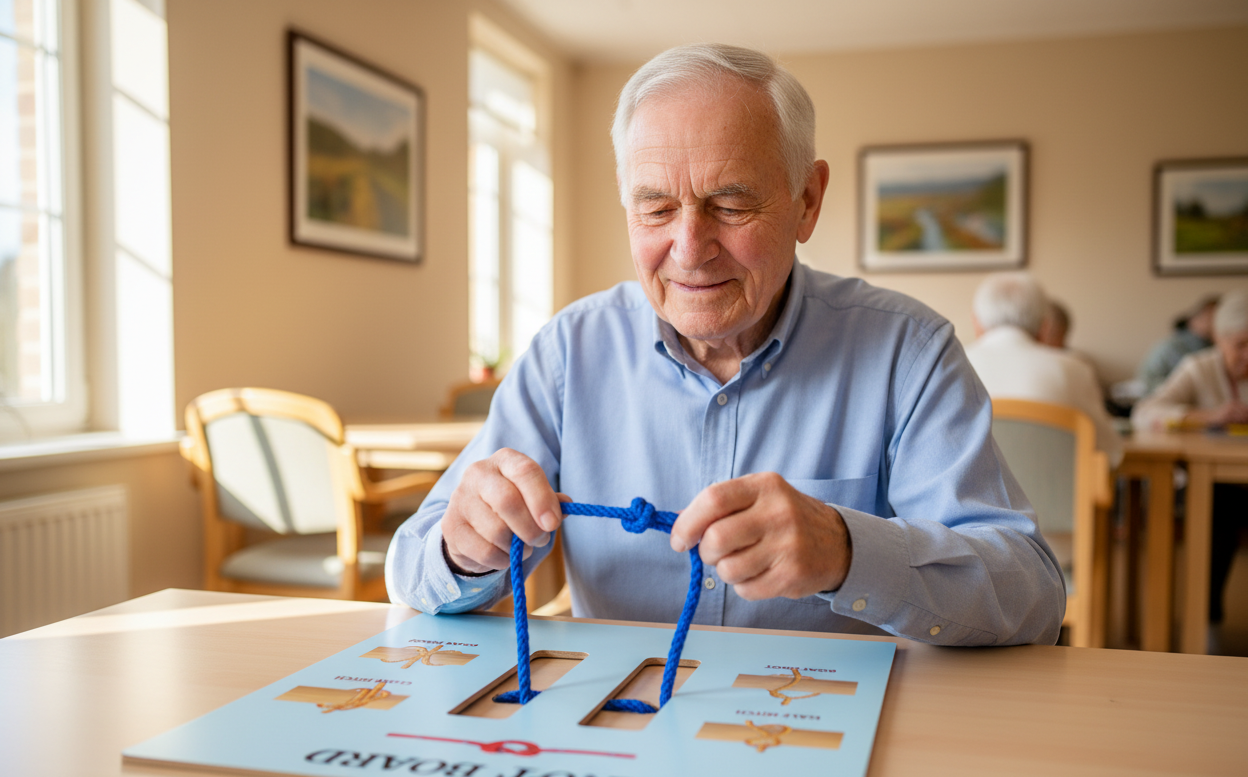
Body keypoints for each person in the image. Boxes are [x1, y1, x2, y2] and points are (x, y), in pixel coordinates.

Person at [386, 44, 1064, 647]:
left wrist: (849, 550)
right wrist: (463, 550)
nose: (689, 249)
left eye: (730, 205)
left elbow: (1029, 594)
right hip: (619, 729)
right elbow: (413, 568)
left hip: (829, 734)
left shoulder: (907, 353)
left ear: (807, 200)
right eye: (655, 207)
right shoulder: (569, 352)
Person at [1132, 290, 1248, 624]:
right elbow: (1146, 412)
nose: (1247, 355)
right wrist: (1209, 416)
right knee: (1218, 509)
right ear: (1219, 339)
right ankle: (1206, 616)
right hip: (1212, 482)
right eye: (1240, 345)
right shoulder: (1199, 368)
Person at [964, 272, 1123, 466]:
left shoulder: (948, 367)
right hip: (1055, 494)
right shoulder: (1073, 370)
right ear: (1045, 326)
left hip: (970, 496)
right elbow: (1111, 453)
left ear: (976, 323)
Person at [1136, 295, 1219, 394]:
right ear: (1194, 320)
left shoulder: (1216, 348)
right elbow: (1147, 381)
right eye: (1211, 317)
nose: (1216, 322)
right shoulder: (1170, 347)